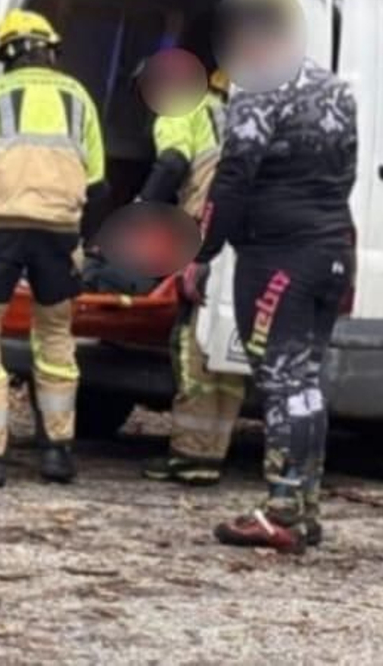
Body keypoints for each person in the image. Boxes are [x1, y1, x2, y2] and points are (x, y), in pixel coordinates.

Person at [179, 0, 357, 552]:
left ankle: (280, 509)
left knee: (281, 379)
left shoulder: (258, 85)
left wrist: (200, 251)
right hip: (331, 251)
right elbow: (344, 174)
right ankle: (304, 504)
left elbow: (234, 176)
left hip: (280, 257)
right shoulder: (334, 89)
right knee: (307, 382)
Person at [0, 10, 106, 488]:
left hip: (1, 228)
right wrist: (85, 240)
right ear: (50, 50)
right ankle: (57, 452)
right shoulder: (80, 98)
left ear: (5, 56)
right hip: (60, 234)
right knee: (56, 336)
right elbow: (98, 184)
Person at [138, 67, 245, 486]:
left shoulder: (182, 109)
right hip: (242, 241)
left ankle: (189, 456)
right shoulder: (242, 119)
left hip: (203, 235)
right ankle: (213, 451)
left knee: (192, 343)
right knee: (224, 345)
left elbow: (172, 162)